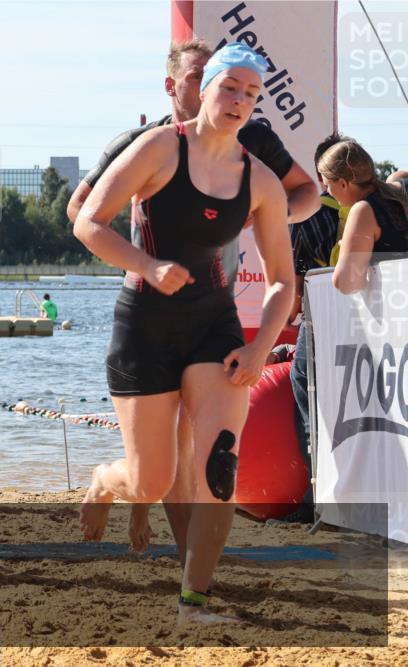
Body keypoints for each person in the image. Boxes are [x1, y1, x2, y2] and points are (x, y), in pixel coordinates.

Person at [67, 38, 318, 557]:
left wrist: (261, 218)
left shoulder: (256, 145)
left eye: (245, 89)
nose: (231, 96)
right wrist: (145, 260)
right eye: (205, 78)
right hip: (149, 303)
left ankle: (190, 571)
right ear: (179, 85)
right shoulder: (144, 142)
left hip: (217, 306)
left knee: (204, 453)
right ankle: (128, 490)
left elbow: (308, 194)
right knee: (156, 464)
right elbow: (80, 212)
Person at [282, 133, 351, 525]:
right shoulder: (380, 207)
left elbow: (292, 290)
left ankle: (317, 503)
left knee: (308, 401)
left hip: (321, 322)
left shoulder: (307, 215)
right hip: (375, 329)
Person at [321, 140, 408, 294]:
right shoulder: (400, 188)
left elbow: (346, 283)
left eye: (327, 184)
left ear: (342, 183)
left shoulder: (363, 210)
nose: (327, 191)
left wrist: (346, 244)